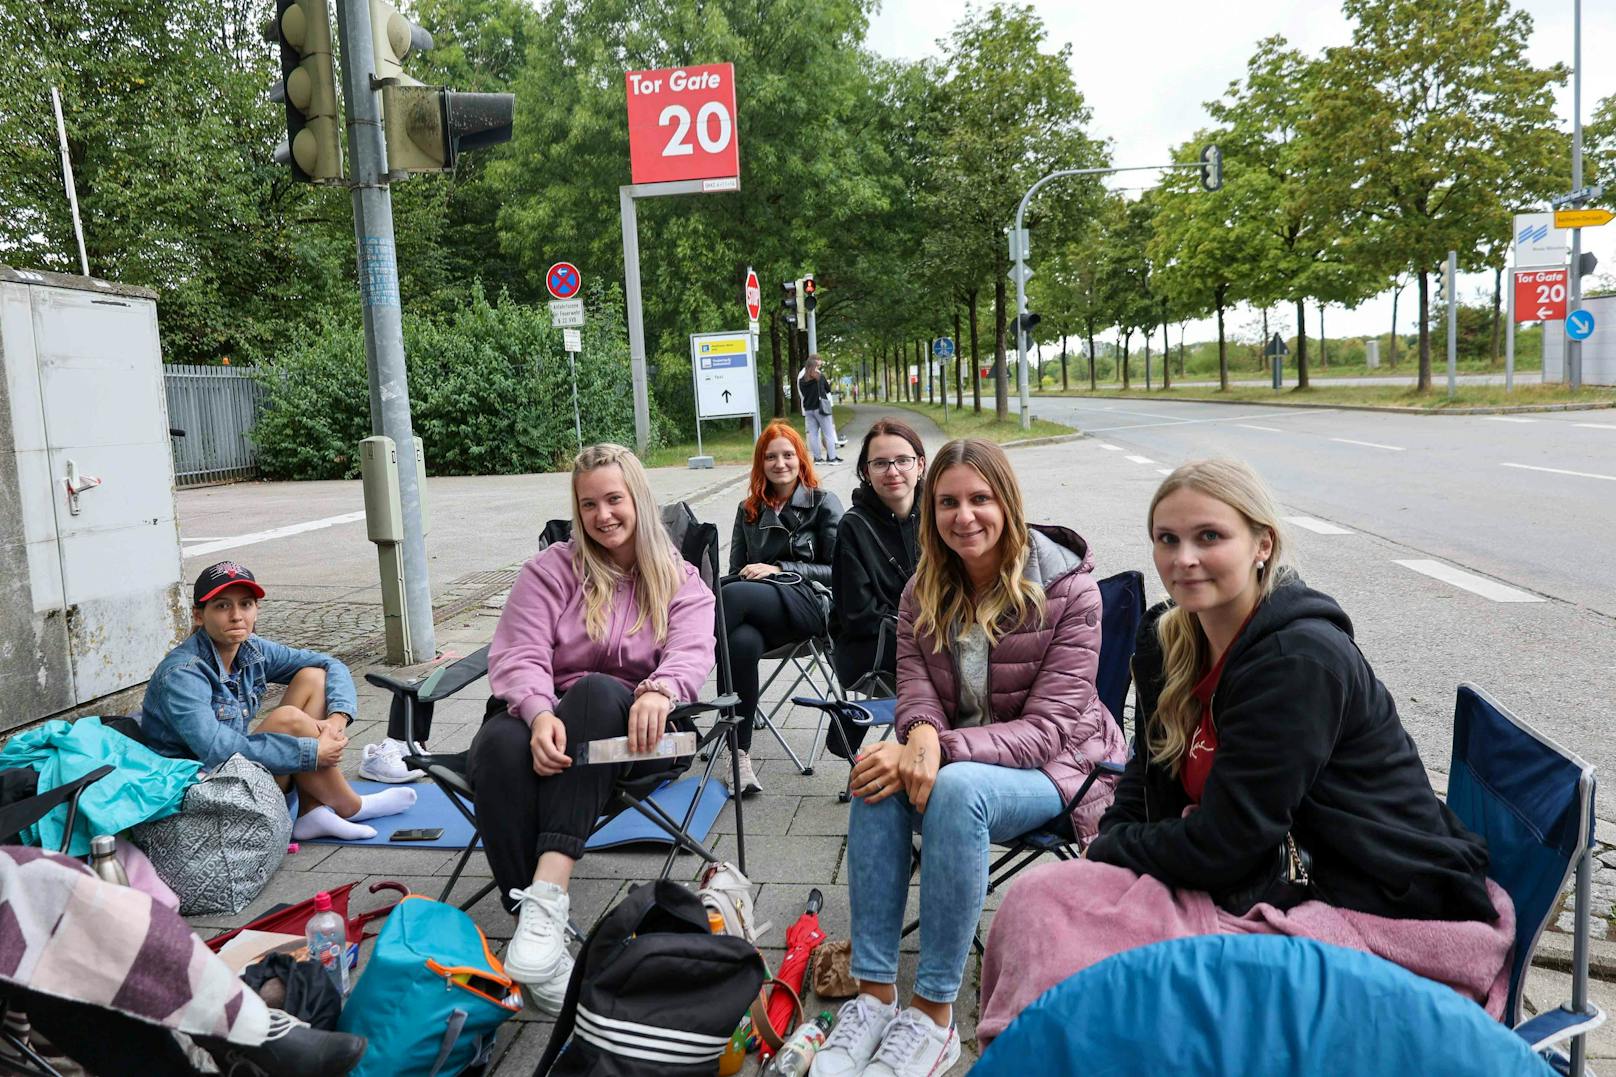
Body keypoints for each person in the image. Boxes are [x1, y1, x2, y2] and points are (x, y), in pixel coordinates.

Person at [976, 459, 1509, 1046]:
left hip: (1372, 897)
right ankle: (1038, 1049)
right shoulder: (1172, 637)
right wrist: (1115, 844)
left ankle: (1048, 1051)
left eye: (1210, 537)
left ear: (1263, 544)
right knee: (1036, 901)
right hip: (1257, 870)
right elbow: (1144, 780)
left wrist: (1112, 847)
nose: (1184, 559)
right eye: (1167, 539)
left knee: (1066, 943)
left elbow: (1225, 848)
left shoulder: (1298, 661)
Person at [813, 438, 1126, 1077]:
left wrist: (934, 749)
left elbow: (1046, 731)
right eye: (948, 502)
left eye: (980, 499)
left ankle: (934, 1017)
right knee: (878, 771)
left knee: (953, 789)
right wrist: (917, 737)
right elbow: (917, 690)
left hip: (1062, 769)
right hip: (958, 761)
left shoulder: (1071, 591)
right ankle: (873, 997)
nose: (964, 516)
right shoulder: (920, 592)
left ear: (1007, 503)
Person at [471, 443, 716, 1014]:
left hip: (638, 734)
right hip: (544, 719)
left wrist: (659, 688)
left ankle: (548, 891)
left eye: (614, 499)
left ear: (638, 498)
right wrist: (535, 714)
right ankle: (542, 939)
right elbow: (517, 652)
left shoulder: (680, 580)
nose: (602, 515)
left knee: (599, 690)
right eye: (588, 504)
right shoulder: (551, 570)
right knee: (500, 747)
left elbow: (692, 651)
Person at [141, 562, 417, 842]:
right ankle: (351, 806)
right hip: (201, 796)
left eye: (246, 604)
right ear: (199, 616)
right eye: (223, 606)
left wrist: (337, 718)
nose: (237, 616)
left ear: (256, 610)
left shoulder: (251, 648)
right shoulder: (183, 673)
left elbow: (330, 663)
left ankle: (312, 811)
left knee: (314, 677)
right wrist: (311, 752)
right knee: (288, 719)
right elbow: (217, 750)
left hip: (240, 775)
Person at [723, 419, 844, 795]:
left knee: (727, 598)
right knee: (739, 642)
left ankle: (681, 696)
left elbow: (838, 571)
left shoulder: (823, 503)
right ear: (761, 463)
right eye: (771, 456)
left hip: (812, 607)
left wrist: (779, 569)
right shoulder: (749, 511)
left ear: (800, 458)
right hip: (763, 615)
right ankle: (737, 756)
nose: (780, 463)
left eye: (788, 455)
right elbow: (735, 571)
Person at [828, 418, 926, 755]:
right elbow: (858, 617)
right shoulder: (852, 527)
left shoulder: (941, 513)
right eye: (880, 463)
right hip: (870, 646)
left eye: (903, 460)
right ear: (866, 472)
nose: (893, 471)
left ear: (920, 464)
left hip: (934, 635)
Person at [797, 353, 844, 463]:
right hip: (821, 408)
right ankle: (832, 458)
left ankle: (817, 458)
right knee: (828, 433)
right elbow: (827, 390)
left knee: (813, 434)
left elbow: (803, 394)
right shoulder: (819, 377)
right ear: (815, 366)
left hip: (808, 409)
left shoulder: (802, 380)